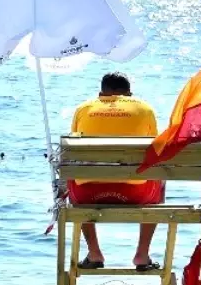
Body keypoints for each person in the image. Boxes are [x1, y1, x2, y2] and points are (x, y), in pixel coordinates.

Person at [68, 72, 163, 271]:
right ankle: (142, 255)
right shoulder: (144, 108)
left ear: (100, 93)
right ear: (129, 94)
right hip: (136, 194)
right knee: (158, 177)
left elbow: (74, 151)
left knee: (73, 175)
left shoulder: (83, 109)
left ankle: (94, 253)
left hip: (88, 195)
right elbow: (155, 151)